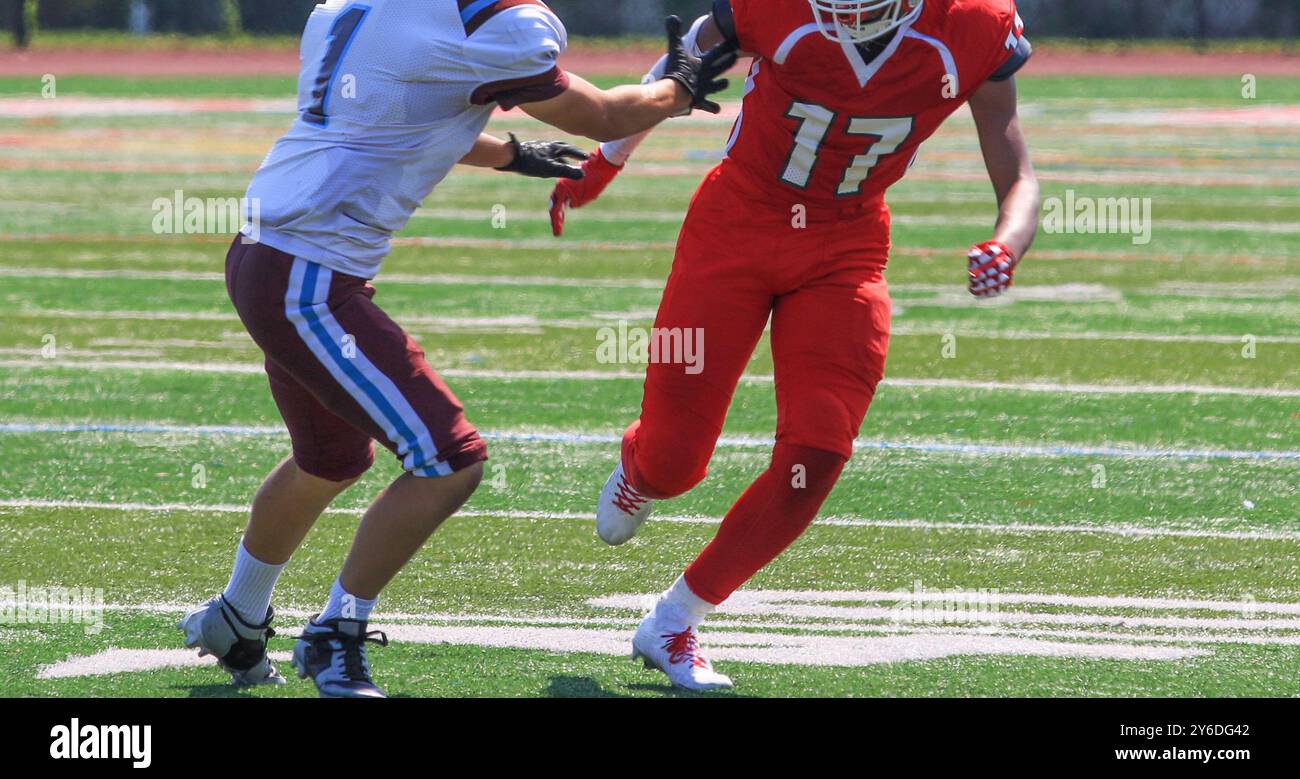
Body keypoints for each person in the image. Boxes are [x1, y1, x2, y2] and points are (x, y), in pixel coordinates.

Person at [179, 0, 731, 698]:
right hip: (308, 282)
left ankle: (238, 613)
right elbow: (605, 115)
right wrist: (677, 86)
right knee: (449, 460)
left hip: (267, 254)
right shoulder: (494, 24)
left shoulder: (349, 10)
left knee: (331, 458)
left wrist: (507, 153)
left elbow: (400, 113)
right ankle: (335, 634)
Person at [552, 0, 1040, 691]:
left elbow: (1017, 168)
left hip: (847, 246)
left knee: (820, 448)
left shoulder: (976, 25)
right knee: (674, 464)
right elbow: (685, 60)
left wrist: (1006, 242)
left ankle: (676, 620)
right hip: (735, 226)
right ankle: (643, 467)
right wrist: (604, 159)